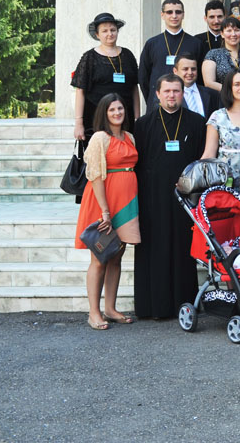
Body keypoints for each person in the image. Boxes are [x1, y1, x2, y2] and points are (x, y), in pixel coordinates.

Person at [132, 75, 204, 320]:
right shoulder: (142, 124)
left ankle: (184, 303)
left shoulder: (196, 123)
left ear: (183, 93)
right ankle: (154, 306)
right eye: (167, 91)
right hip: (152, 198)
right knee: (154, 249)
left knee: (182, 250)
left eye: (176, 91)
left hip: (184, 198)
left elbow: (199, 162)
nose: (172, 96)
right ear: (158, 94)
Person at [74, 94, 139, 329]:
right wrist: (104, 211)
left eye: (120, 108)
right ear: (104, 112)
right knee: (99, 258)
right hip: (103, 203)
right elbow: (96, 176)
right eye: (112, 109)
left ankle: (110, 308)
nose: (117, 113)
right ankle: (94, 312)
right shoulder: (100, 138)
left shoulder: (130, 137)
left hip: (126, 203)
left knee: (116, 257)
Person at [73, 12, 140, 142]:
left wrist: (137, 118)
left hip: (124, 118)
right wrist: (78, 123)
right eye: (104, 31)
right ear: (97, 35)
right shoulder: (89, 57)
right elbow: (80, 90)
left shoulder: (128, 55)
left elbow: (134, 88)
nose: (110, 34)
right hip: (96, 118)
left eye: (113, 30)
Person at [201, 71, 240, 187]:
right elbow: (209, 153)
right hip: (227, 183)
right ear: (229, 88)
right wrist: (191, 176)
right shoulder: (218, 116)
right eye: (237, 84)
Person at [138, 0, 207, 95]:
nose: (174, 16)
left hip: (189, 100)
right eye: (169, 12)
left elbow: (201, 77)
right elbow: (143, 76)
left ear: (183, 14)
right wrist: (152, 99)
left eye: (178, 12)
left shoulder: (196, 43)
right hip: (157, 102)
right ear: (162, 15)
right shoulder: (152, 43)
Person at [201, 16, 240, 92]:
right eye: (229, 31)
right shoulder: (213, 54)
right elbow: (209, 83)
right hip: (222, 99)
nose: (233, 34)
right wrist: (233, 91)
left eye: (237, 30)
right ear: (222, 34)